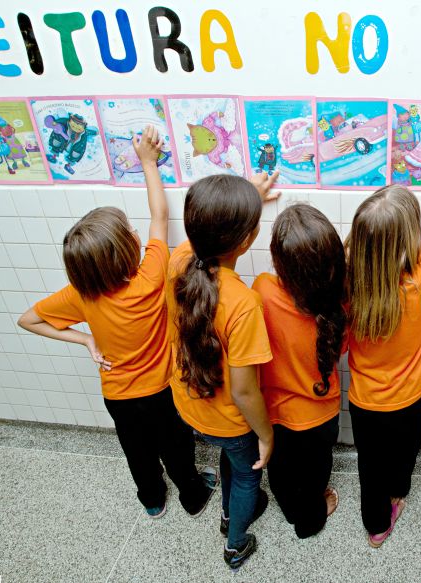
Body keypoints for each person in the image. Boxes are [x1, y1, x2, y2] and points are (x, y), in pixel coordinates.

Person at [17, 126, 216, 519]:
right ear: (131, 248)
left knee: (136, 450)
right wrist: (147, 162)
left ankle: (152, 500)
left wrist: (84, 340)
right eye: (130, 232)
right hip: (161, 390)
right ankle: (192, 495)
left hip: (118, 397)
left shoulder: (80, 294)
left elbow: (28, 320)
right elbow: (160, 215)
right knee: (176, 446)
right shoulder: (150, 276)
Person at [346, 118, 421, 548]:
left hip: (365, 401)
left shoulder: (346, 283)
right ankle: (400, 493)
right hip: (411, 395)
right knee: (405, 453)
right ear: (409, 237)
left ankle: (377, 527)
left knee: (368, 466)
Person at [166, 170, 280, 570]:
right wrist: (266, 436)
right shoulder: (244, 303)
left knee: (229, 459)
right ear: (246, 240)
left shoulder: (178, 261)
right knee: (248, 474)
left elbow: (205, 229)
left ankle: (230, 514)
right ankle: (234, 543)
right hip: (231, 422)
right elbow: (245, 392)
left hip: (189, 408)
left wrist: (247, 199)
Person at [251, 204, 347, 539]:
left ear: (279, 262)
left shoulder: (262, 290)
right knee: (317, 470)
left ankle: (292, 510)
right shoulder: (339, 303)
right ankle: (312, 516)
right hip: (322, 414)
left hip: (276, 414)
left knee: (279, 469)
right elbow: (340, 351)